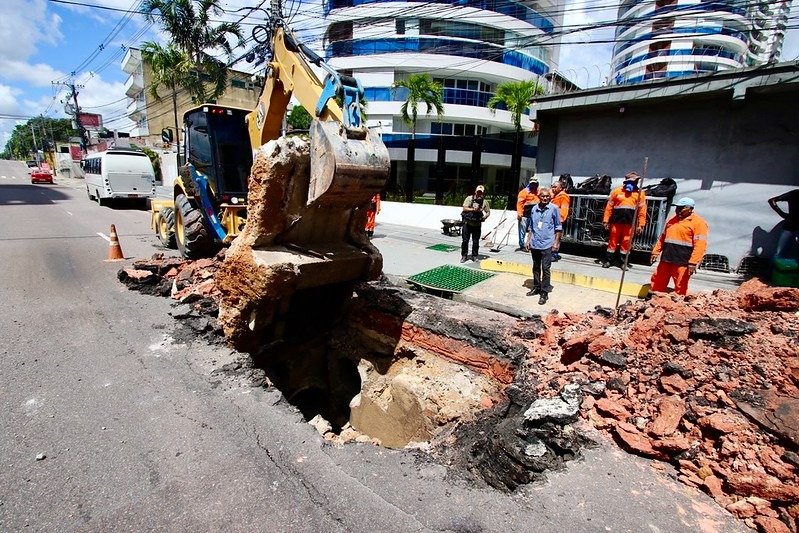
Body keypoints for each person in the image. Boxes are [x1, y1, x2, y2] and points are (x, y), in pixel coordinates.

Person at [649, 197, 708, 296]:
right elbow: (662, 238)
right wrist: (655, 252)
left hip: (682, 261)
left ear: (690, 209)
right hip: (666, 258)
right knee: (658, 281)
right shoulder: (672, 220)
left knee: (680, 286)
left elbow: (700, 245)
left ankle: (677, 305)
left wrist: (693, 262)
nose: (678, 210)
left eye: (682, 208)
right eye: (677, 208)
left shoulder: (699, 223)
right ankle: (654, 300)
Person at [524, 187, 562, 305]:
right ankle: (536, 287)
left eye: (547, 196)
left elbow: (558, 227)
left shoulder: (554, 209)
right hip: (535, 242)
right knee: (536, 267)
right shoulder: (534, 209)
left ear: (549, 197)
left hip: (547, 243)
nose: (545, 198)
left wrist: (556, 243)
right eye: (543, 196)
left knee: (545, 268)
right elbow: (531, 226)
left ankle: (544, 292)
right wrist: (528, 241)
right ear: (539, 197)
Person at [602, 172, 647, 269]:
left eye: (636, 181)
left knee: (626, 243)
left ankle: (623, 262)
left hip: (630, 223)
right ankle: (609, 260)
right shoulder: (617, 191)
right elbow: (609, 207)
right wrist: (606, 221)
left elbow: (642, 211)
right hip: (616, 222)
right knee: (612, 242)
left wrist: (641, 225)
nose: (634, 183)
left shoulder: (640, 194)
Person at [461, 185, 491, 262]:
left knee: (476, 241)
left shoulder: (484, 202)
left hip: (477, 224)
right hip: (467, 223)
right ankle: (464, 255)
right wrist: (473, 209)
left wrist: (485, 217)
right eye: (478, 192)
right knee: (465, 240)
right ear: (475, 191)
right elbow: (464, 208)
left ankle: (475, 255)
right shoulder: (469, 199)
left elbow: (488, 212)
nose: (479, 193)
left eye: (481, 192)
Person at [768, 189, 799, 259]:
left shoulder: (794, 193)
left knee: (779, 253)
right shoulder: (795, 193)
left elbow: (772, 201)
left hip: (789, 225)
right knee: (779, 253)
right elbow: (772, 200)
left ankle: (774, 267)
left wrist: (782, 214)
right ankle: (774, 268)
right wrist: (781, 214)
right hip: (789, 226)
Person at [516, 176, 539, 251]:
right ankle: (522, 245)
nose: (533, 185)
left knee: (532, 230)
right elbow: (519, 204)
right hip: (524, 215)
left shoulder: (538, 192)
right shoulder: (523, 192)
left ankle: (529, 244)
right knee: (522, 231)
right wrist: (519, 214)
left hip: (534, 215)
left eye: (535, 184)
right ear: (529, 183)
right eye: (532, 184)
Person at [550, 180, 570, 261]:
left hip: (558, 221)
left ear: (561, 188)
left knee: (556, 238)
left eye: (555, 187)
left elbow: (564, 210)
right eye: (552, 186)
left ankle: (554, 254)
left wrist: (560, 222)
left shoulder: (563, 197)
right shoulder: (555, 196)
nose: (553, 188)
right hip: (553, 221)